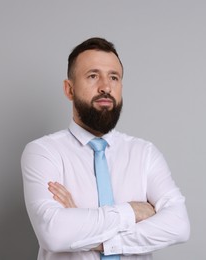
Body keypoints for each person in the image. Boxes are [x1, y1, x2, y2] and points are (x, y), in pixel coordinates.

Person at [21, 37, 190, 260]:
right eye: (93, 76)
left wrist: (88, 229)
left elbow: (179, 225)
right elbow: (54, 234)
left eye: (114, 77)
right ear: (69, 89)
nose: (106, 87)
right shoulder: (43, 152)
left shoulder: (145, 153)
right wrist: (132, 211)